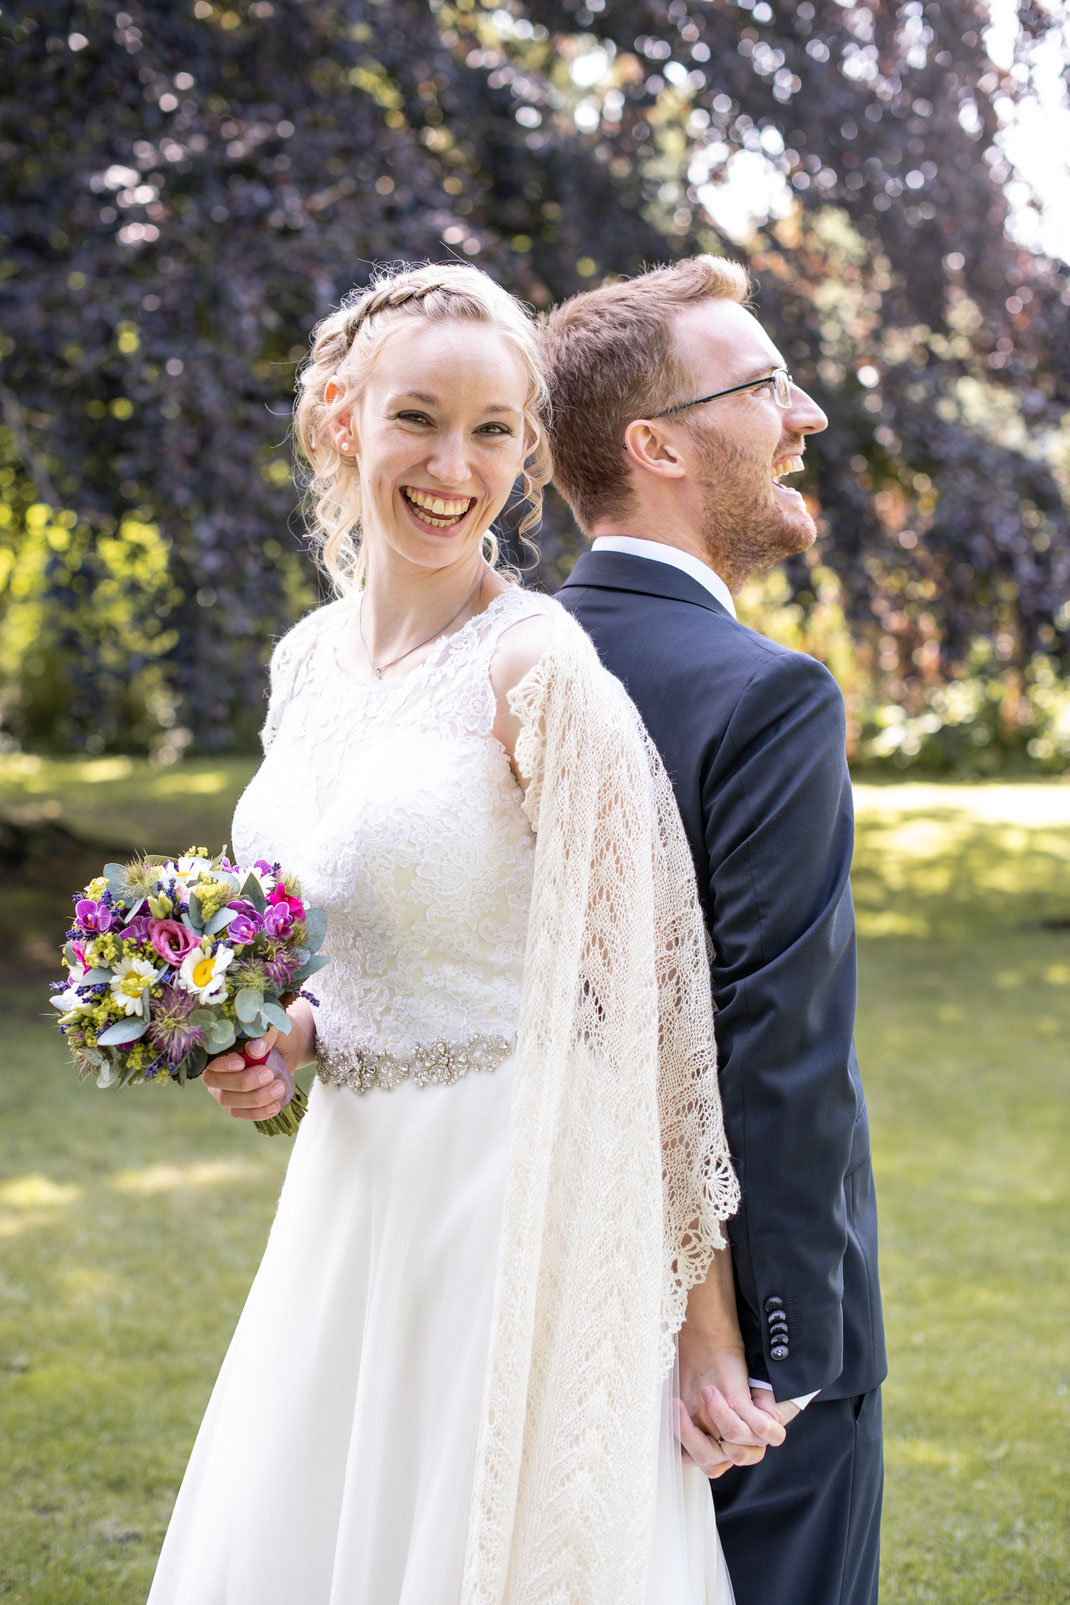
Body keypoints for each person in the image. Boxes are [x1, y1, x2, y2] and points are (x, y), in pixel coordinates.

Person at [146, 261, 780, 1605]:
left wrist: (698, 1328)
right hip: (350, 1194)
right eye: (418, 419)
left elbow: (651, 1009)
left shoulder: (537, 668)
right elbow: (354, 947)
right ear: (338, 419)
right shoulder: (307, 662)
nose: (455, 467)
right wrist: (287, 1030)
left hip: (513, 1204)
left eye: (495, 430)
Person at [543, 256, 887, 1605]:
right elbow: (775, 1049)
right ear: (656, 445)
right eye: (765, 386)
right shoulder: (766, 697)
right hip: (742, 1350)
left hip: (534, 1292)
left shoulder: (504, 667)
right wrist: (784, 1345)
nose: (803, 414)